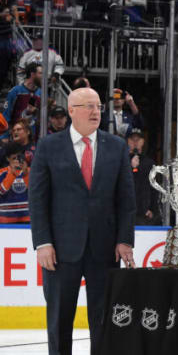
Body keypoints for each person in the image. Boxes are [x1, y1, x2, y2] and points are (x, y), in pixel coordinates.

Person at [29, 87, 136, 355]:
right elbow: (38, 199)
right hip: (61, 251)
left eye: (98, 106)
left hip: (105, 247)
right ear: (71, 111)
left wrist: (125, 239)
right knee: (59, 320)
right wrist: (42, 242)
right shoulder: (48, 146)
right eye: (88, 106)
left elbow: (126, 199)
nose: (95, 111)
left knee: (103, 321)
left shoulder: (117, 146)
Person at [127, 128, 158, 226]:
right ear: (128, 141)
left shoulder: (149, 163)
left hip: (144, 213)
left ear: (143, 141)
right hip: (126, 211)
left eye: (138, 139)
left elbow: (154, 188)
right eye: (132, 139)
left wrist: (152, 209)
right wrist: (131, 168)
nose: (135, 142)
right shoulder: (122, 161)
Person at [3, 62, 41, 136]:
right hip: (17, 136)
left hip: (35, 137)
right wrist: (4, 136)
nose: (43, 76)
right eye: (40, 73)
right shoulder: (15, 91)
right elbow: (6, 115)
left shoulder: (41, 93)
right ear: (32, 74)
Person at [0, 142, 30, 224]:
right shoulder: (1, 173)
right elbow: (1, 191)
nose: (17, 160)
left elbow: (36, 192)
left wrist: (26, 174)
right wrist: (12, 174)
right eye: (14, 158)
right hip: (5, 218)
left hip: (27, 217)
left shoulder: (30, 171)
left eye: (19, 157)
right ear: (7, 159)